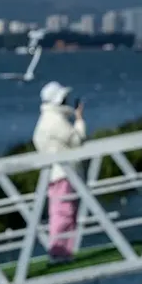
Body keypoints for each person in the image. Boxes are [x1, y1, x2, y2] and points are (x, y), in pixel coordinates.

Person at [32, 81, 86, 261]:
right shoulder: (55, 121)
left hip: (53, 175)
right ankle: (59, 252)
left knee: (59, 211)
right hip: (64, 174)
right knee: (64, 212)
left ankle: (62, 251)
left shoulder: (45, 120)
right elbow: (76, 140)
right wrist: (79, 120)